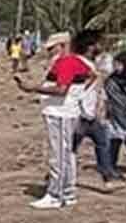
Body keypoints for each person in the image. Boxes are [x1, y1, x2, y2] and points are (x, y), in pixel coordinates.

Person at [14, 31, 95, 209]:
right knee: (67, 154)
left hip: (60, 113)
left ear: (63, 46)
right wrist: (80, 94)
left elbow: (61, 89)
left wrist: (33, 88)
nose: (50, 51)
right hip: (65, 111)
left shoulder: (66, 62)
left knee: (58, 154)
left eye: (53, 48)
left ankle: (56, 194)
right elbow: (92, 76)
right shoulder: (77, 61)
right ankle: (67, 192)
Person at [71, 31, 126, 190]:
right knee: (71, 148)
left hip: (91, 115)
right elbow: (78, 88)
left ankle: (108, 178)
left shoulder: (92, 63)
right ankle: (59, 177)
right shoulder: (80, 64)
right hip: (79, 114)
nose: (100, 47)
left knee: (102, 144)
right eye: (97, 44)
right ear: (89, 46)